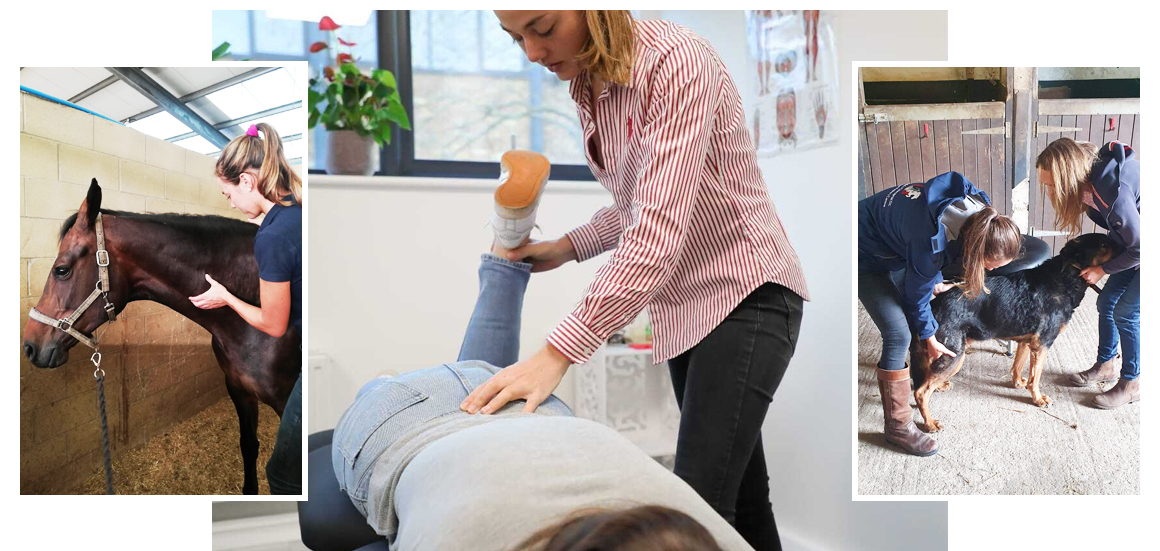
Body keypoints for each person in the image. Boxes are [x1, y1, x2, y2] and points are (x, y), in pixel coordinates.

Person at [466, 12, 809, 549]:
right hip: (686, 306)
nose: (532, 53)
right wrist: (566, 247)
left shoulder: (676, 63)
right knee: (740, 499)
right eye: (516, 39)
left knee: (694, 509)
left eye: (542, 27)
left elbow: (655, 235)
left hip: (748, 292)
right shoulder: (589, 80)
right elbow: (637, 202)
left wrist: (555, 354)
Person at [331, 253, 752, 551]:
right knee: (410, 390)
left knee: (488, 380)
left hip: (545, 419)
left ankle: (508, 250)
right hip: (400, 422)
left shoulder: (704, 533)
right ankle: (383, 383)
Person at [858, 171, 1050, 456]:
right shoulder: (928, 243)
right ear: (973, 250)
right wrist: (929, 338)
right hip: (864, 250)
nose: (991, 271)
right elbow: (917, 292)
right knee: (898, 332)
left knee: (919, 298)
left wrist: (931, 279)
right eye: (990, 264)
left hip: (898, 242)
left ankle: (908, 376)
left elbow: (930, 258)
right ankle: (897, 427)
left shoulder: (981, 210)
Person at [189, 122, 303, 494]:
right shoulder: (296, 211)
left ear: (248, 182)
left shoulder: (271, 237)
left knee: (284, 475)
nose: (231, 203)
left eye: (228, 193)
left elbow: (273, 324)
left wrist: (226, 297)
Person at [1038, 138, 1140, 408]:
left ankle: (1132, 383)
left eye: (1051, 186)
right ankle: (1106, 365)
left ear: (1068, 178)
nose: (1048, 192)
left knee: (1126, 313)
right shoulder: (1087, 188)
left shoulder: (1112, 196)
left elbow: (1141, 248)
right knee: (1106, 302)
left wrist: (1102, 268)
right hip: (1133, 244)